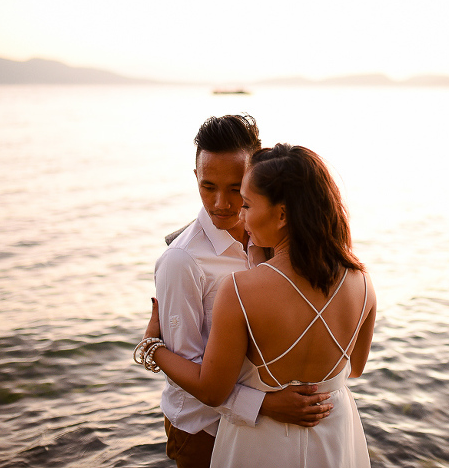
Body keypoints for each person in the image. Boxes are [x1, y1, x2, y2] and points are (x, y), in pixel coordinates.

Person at [137, 143, 377, 467]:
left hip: (265, 444)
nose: (239, 213)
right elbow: (356, 368)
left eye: (246, 204)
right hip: (334, 434)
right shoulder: (362, 280)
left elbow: (211, 391)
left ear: (281, 214)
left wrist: (152, 346)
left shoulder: (239, 290)